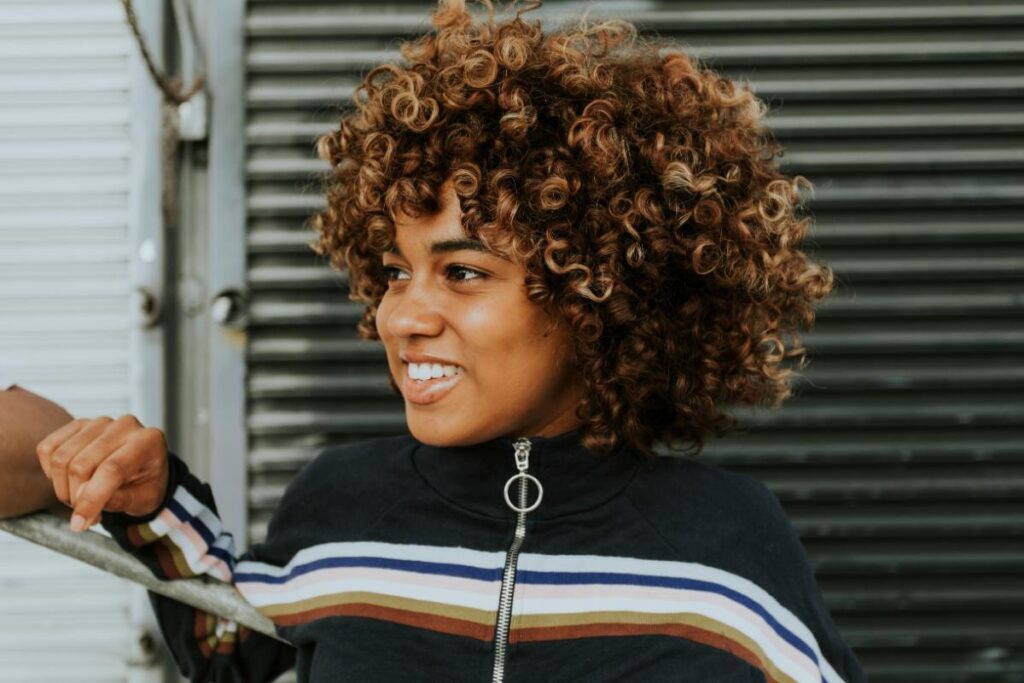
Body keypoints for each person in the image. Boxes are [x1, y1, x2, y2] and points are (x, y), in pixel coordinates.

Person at [0, 0, 866, 680]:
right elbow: (228, 642)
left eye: (461, 272)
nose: (400, 315)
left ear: (596, 294)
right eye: (391, 269)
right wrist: (138, 492)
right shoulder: (340, 506)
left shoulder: (730, 541)